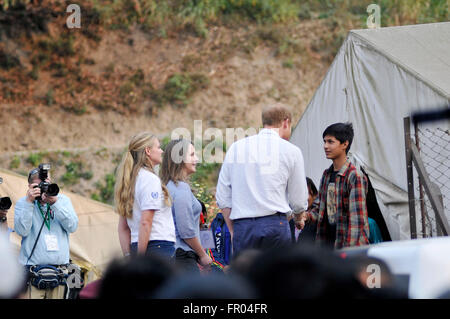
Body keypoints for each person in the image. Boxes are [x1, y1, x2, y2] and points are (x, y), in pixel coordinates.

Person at [215, 103, 309, 256]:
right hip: (275, 225)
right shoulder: (292, 151)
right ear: (286, 122)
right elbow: (298, 200)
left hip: (243, 226)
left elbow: (222, 195)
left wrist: (233, 230)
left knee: (246, 278)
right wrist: (299, 218)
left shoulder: (236, 148)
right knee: (275, 277)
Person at [301, 123, 370, 249]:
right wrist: (306, 216)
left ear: (345, 144)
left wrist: (347, 252)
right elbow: (321, 210)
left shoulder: (354, 176)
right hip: (327, 246)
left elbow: (357, 220)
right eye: (324, 141)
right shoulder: (326, 175)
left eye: (330, 142)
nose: (325, 146)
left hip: (349, 248)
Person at [14, 166, 78, 299]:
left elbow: (72, 227)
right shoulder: (23, 203)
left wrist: (55, 204)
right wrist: (29, 202)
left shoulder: (63, 200)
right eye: (39, 185)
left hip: (59, 273)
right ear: (30, 186)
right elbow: (22, 231)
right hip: (33, 274)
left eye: (46, 184)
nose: (44, 188)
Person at [114, 132, 176, 259]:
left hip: (137, 244)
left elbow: (123, 228)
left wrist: (128, 256)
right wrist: (141, 261)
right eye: (158, 147)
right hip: (157, 246)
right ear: (148, 151)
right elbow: (146, 222)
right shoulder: (150, 179)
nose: (162, 151)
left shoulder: (129, 181)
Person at [160, 139, 213, 273]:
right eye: (192, 155)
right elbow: (186, 230)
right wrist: (202, 255)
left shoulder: (169, 186)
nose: (196, 158)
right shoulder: (180, 188)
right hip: (183, 256)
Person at [289, 177, 317, 244]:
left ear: (315, 195)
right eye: (298, 194)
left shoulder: (318, 217)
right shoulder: (288, 217)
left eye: (306, 193)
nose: (302, 198)